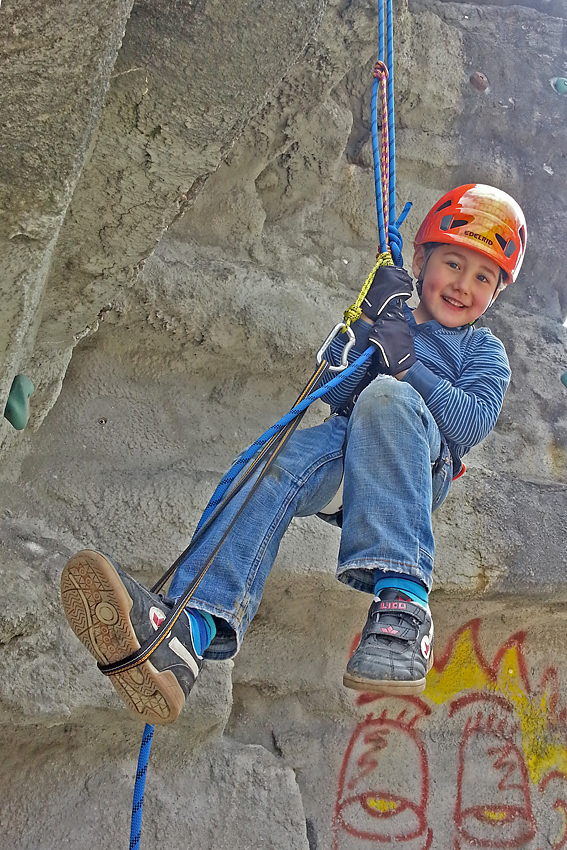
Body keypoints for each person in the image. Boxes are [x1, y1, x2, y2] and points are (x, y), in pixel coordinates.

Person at [60, 183, 527, 725]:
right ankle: (187, 631)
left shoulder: (483, 350)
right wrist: (365, 326)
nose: (463, 285)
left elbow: (468, 424)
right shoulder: (389, 316)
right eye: (453, 264)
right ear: (421, 260)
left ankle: (403, 602)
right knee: (272, 462)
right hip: (348, 446)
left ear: (495, 294)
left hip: (416, 464)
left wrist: (408, 366)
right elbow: (332, 385)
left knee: (387, 396)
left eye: (483, 278)